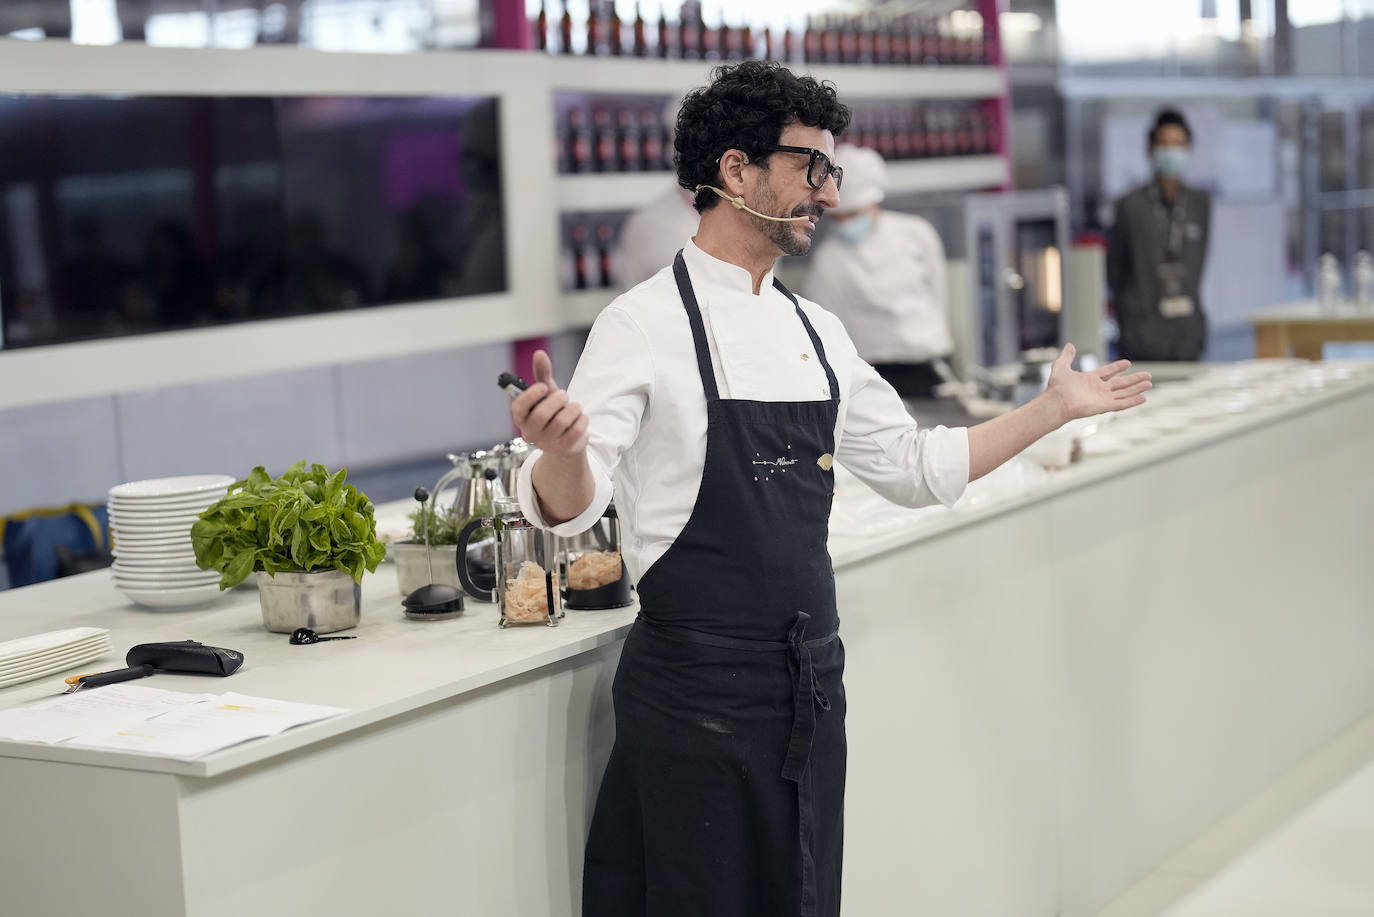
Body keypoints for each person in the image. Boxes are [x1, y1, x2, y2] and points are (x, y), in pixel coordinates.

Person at [510, 61, 1151, 917]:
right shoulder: (641, 324)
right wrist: (558, 450)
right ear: (735, 171)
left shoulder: (817, 331)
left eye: (831, 170)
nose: (827, 191)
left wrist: (1049, 411)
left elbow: (917, 470)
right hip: (695, 693)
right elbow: (569, 508)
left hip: (808, 686)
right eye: (810, 166)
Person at [800, 143, 954, 398]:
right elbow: (828, 333)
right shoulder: (829, 259)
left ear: (875, 202)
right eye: (840, 217)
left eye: (854, 214)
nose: (847, 223)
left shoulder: (916, 232)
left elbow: (939, 296)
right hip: (877, 372)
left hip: (932, 362)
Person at [1107, 108, 1212, 362]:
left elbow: (1199, 262)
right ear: (1151, 149)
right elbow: (1115, 272)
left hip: (1187, 335)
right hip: (1142, 335)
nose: (1171, 152)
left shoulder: (1200, 204)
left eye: (1178, 144)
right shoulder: (1130, 206)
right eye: (1165, 144)